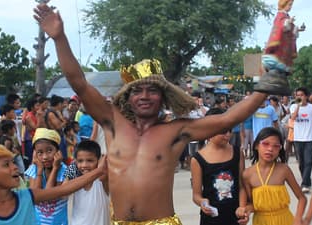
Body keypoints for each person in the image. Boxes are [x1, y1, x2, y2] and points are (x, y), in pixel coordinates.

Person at [34, 3, 280, 224]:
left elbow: (229, 118)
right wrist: (59, 38)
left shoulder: (177, 131)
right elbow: (79, 82)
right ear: (127, 97)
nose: (144, 96)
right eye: (137, 90)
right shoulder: (112, 123)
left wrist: (267, 83)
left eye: (152, 90)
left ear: (163, 96)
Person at [0, 144, 106, 225]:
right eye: (6, 164)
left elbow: (65, 189)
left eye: (13, 162)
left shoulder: (28, 196)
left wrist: (99, 170)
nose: (15, 167)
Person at [190, 108, 247, 225]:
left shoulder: (237, 153)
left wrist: (242, 208)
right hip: (211, 218)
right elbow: (196, 195)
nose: (227, 135)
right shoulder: (197, 159)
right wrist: (202, 202)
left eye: (229, 130)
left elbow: (242, 186)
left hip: (234, 214)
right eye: (223, 131)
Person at [241, 127, 306, 225]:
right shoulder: (247, 174)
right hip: (261, 221)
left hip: (285, 220)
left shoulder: (284, 170)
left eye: (276, 146)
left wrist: (298, 218)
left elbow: (302, 198)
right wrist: (245, 211)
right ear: (256, 146)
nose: (270, 149)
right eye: (265, 144)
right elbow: (252, 204)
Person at [258, 0, 305, 96]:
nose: (290, 7)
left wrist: (298, 29)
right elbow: (281, 25)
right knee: (276, 58)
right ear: (284, 4)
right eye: (289, 4)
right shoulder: (280, 15)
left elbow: (290, 28)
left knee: (283, 62)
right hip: (280, 43)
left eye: (291, 5)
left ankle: (281, 72)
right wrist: (288, 22)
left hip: (285, 43)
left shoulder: (286, 16)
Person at [24, 128, 68, 225]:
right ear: (35, 154)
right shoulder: (35, 168)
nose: (45, 157)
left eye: (49, 151)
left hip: (59, 222)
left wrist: (55, 168)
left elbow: (49, 195)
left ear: (58, 151)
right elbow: (35, 197)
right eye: (40, 152)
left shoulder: (64, 170)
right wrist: (39, 170)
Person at [63, 140, 110, 225]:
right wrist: (70, 172)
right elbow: (63, 194)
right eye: (80, 161)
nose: (84, 165)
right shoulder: (75, 180)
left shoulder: (101, 181)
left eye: (90, 160)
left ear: (98, 161)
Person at [290, 87, 312, 193]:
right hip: (298, 138)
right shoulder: (293, 106)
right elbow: (293, 118)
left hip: (310, 138)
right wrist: (298, 106)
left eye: (301, 95)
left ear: (306, 96)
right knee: (301, 162)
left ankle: (305, 184)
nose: (299, 97)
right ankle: (307, 179)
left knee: (308, 161)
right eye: (297, 95)